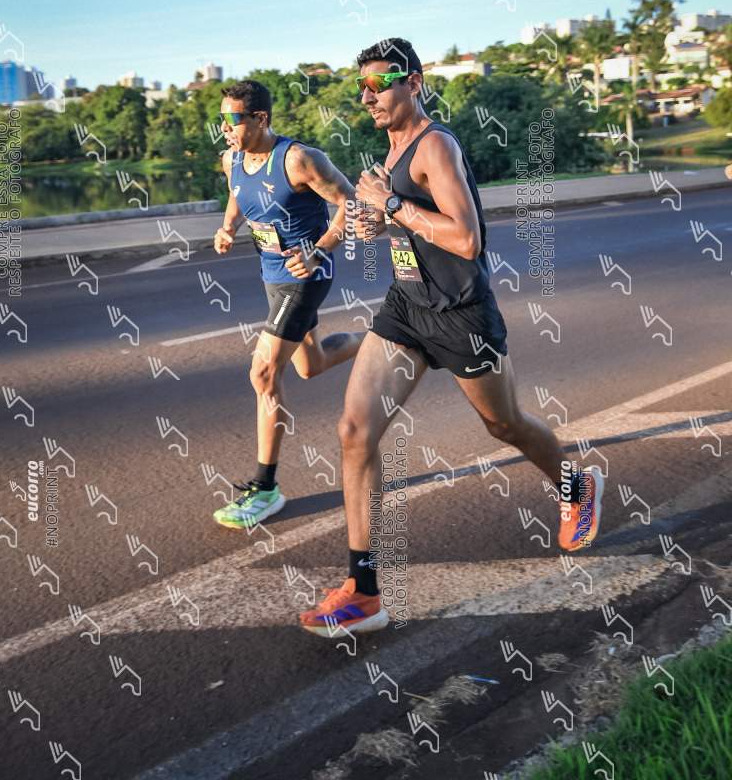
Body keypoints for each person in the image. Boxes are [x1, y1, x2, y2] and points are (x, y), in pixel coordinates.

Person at [300, 38, 604, 637]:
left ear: (413, 82)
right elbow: (404, 225)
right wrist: (374, 220)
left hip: (462, 314)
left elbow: (466, 240)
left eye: (379, 84)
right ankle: (364, 592)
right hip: (407, 308)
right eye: (361, 88)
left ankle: (576, 483)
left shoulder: (435, 145)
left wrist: (391, 203)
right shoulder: (390, 154)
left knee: (505, 425)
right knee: (355, 431)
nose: (368, 97)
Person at [212, 80, 364, 529]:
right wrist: (228, 227)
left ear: (260, 118)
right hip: (272, 275)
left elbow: (351, 203)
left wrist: (319, 250)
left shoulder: (299, 159)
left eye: (233, 119)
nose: (225, 128)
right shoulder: (231, 159)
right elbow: (237, 194)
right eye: (221, 120)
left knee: (263, 373)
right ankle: (382, 339)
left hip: (307, 275)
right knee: (310, 366)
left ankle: (266, 488)